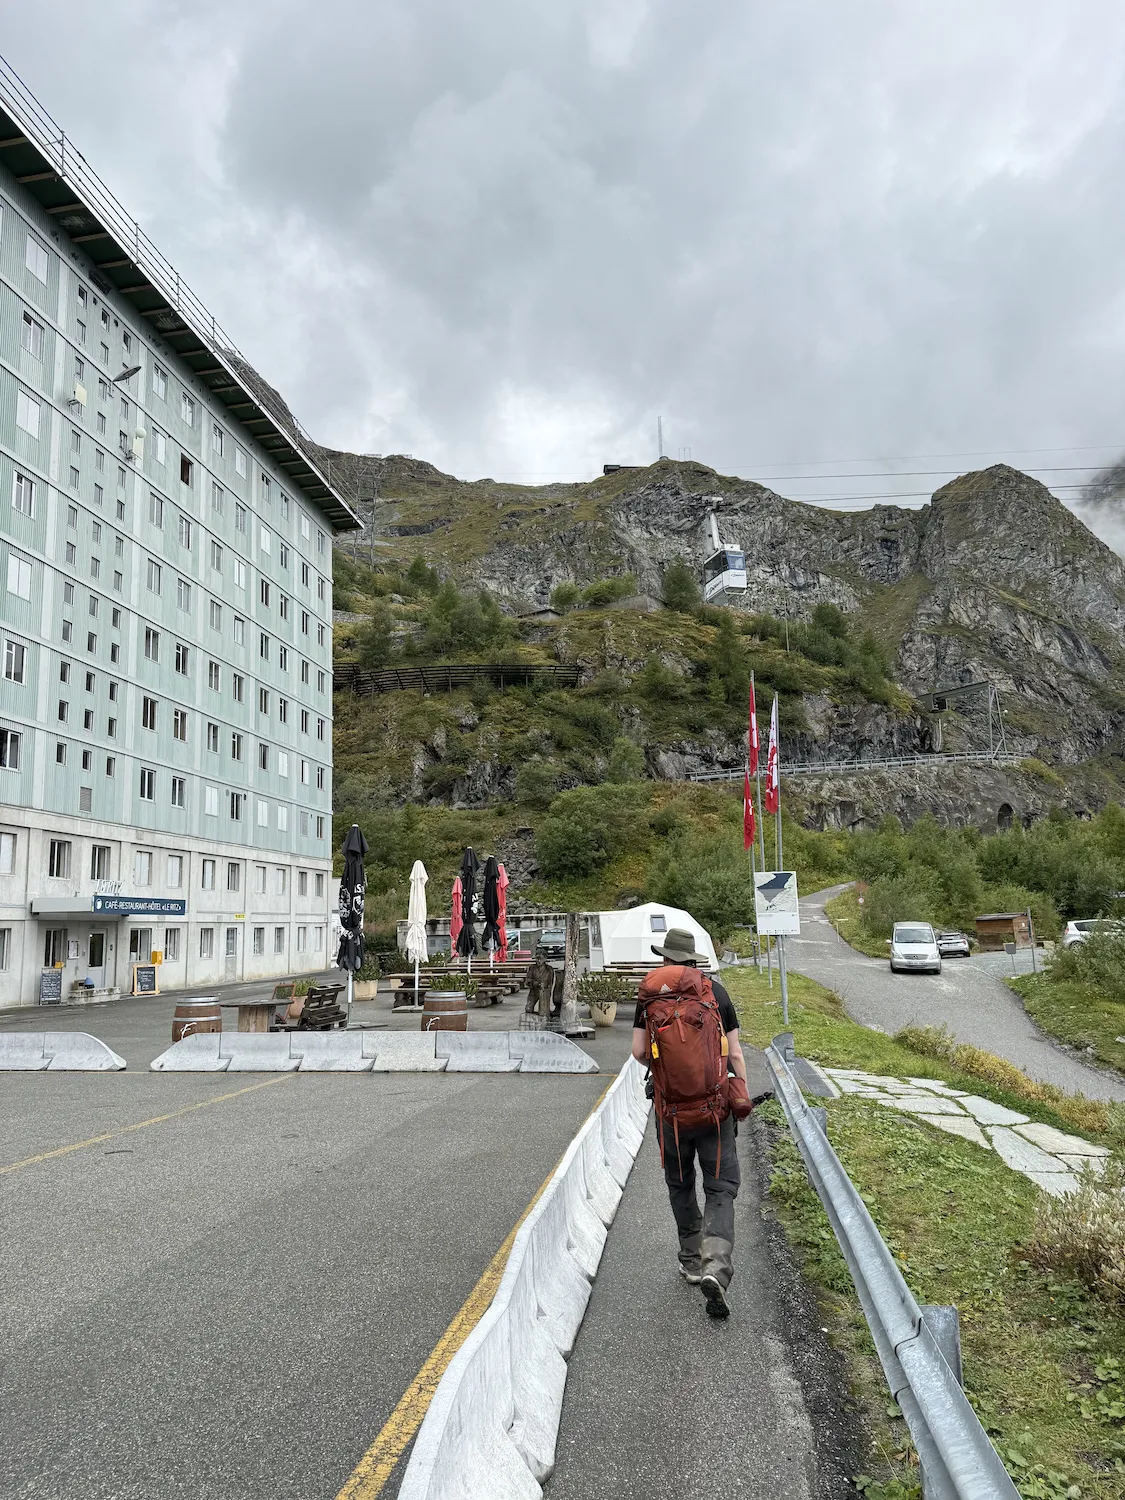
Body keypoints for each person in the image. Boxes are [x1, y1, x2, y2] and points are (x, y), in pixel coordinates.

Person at [631, 927, 747, 1320]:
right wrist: (738, 1089)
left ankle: (691, 1262)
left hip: (671, 1115)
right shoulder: (715, 993)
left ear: (666, 960)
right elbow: (734, 1053)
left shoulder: (650, 996)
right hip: (714, 1110)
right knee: (720, 1188)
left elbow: (637, 1053)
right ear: (693, 960)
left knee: (681, 1185)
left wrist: (665, 1069)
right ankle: (716, 1265)